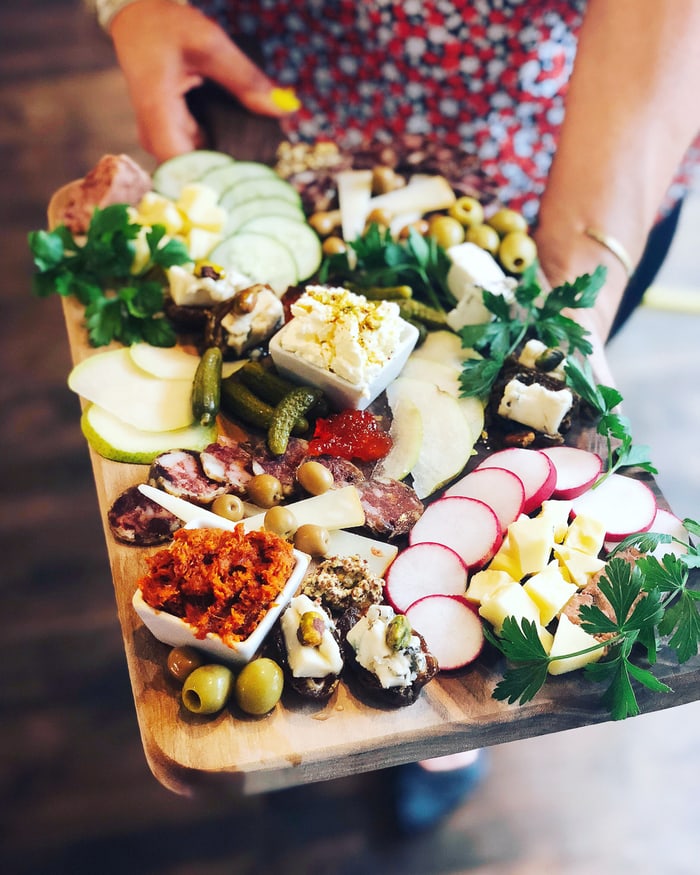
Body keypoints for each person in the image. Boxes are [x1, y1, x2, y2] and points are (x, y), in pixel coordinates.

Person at [92, 0, 700, 833]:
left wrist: (569, 298)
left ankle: (437, 724)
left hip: (559, 148)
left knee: (453, 636)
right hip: (276, 90)